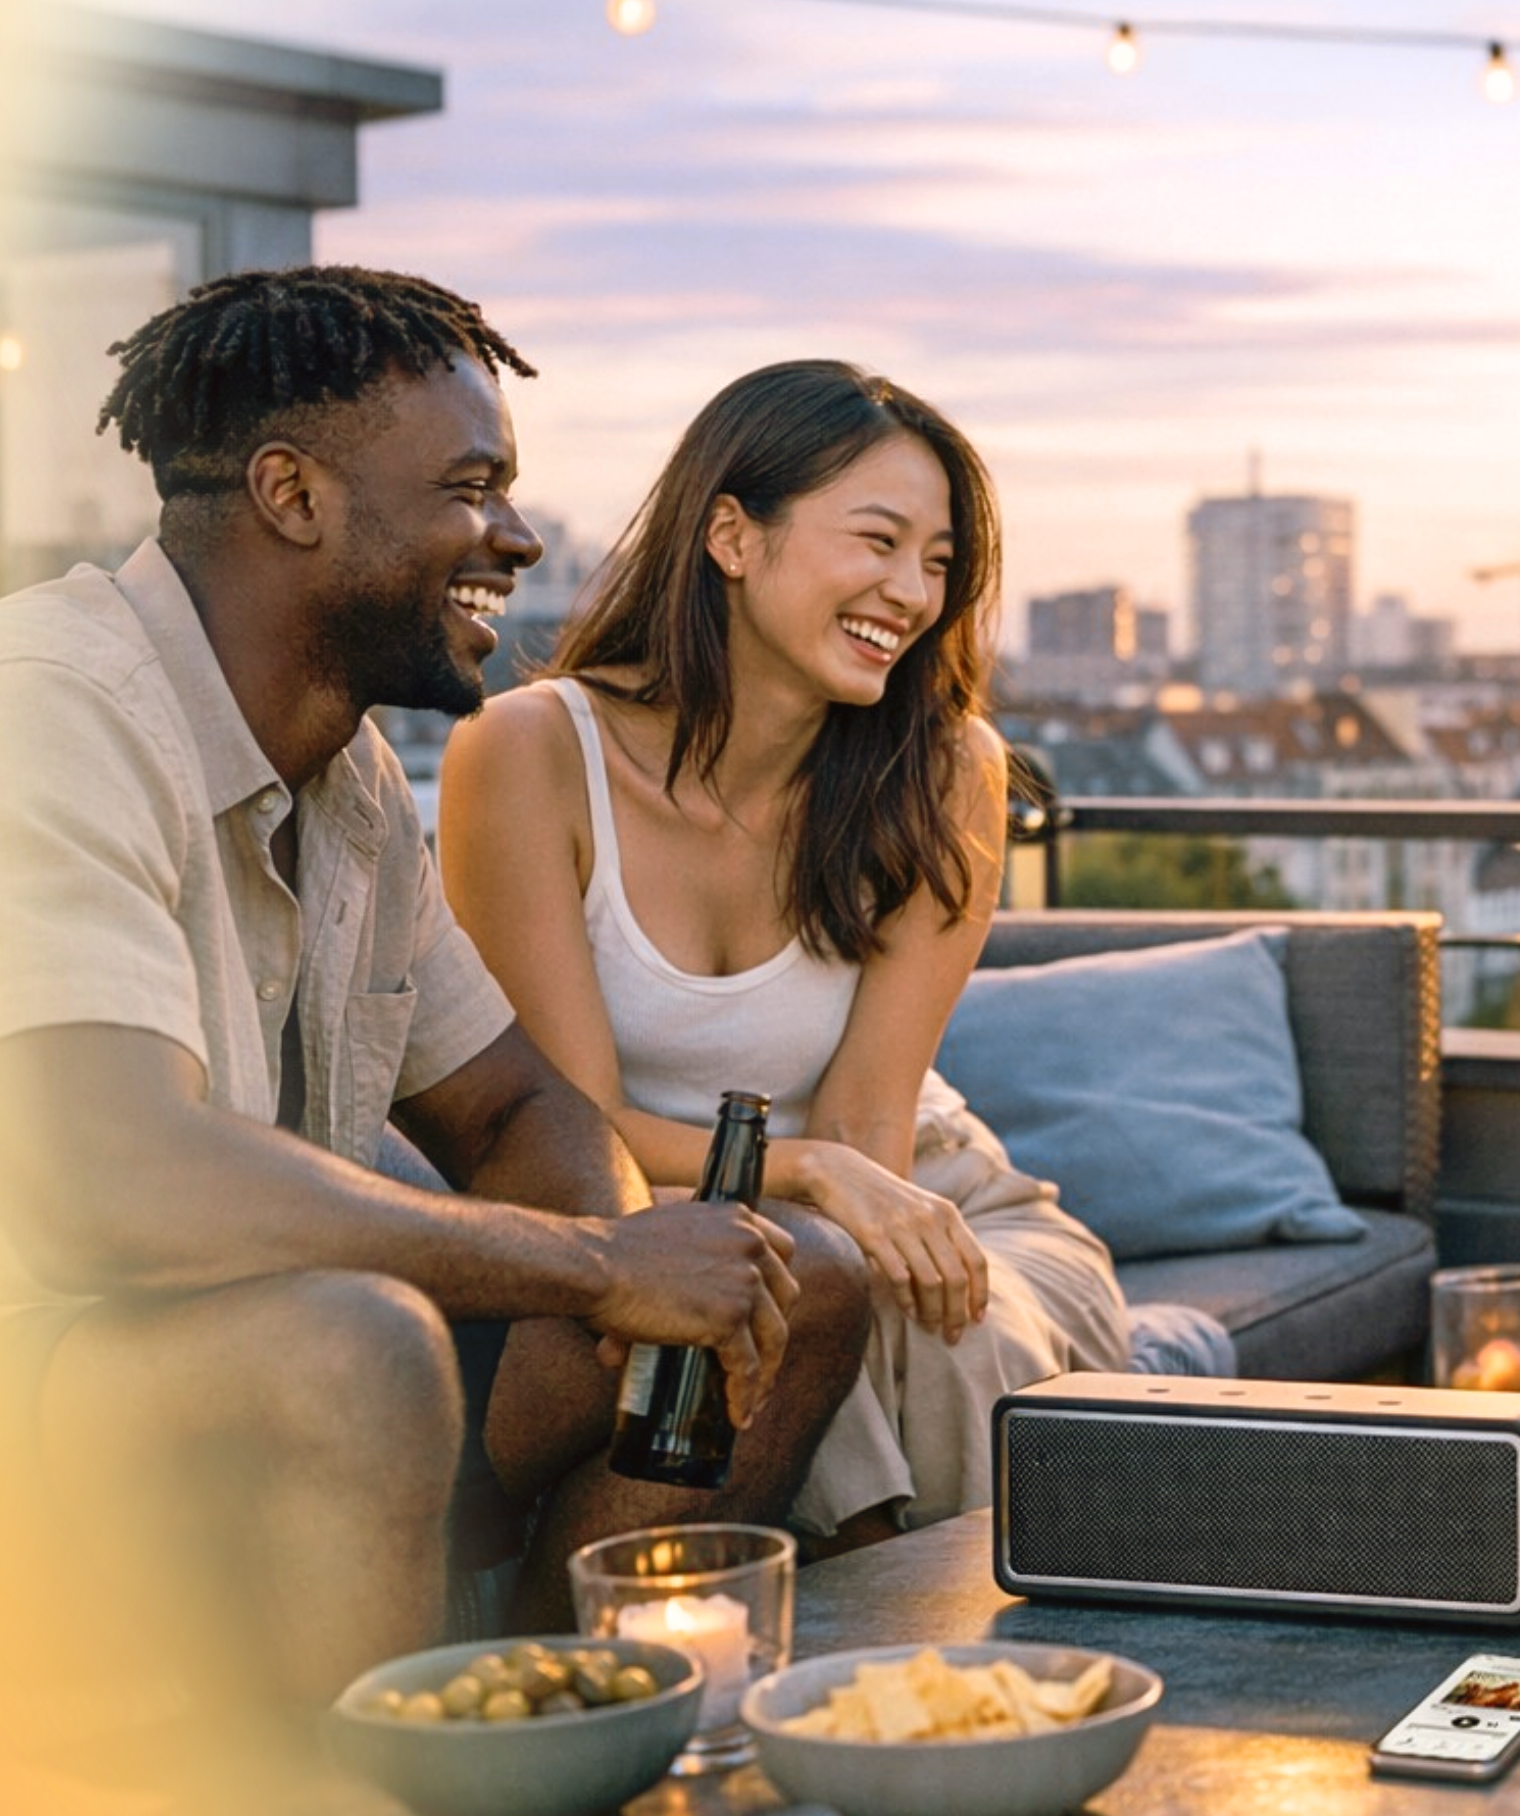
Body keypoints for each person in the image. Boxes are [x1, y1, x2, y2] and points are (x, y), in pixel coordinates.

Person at [0, 268, 874, 1707]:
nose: (516, 538)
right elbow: (117, 1179)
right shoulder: (29, 710)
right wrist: (599, 1270)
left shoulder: (344, 781)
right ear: (292, 495)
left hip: (260, 1351)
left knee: (800, 1281)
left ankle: (536, 1734)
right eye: (472, 487)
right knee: (357, 1343)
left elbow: (516, 1102)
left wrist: (632, 1299)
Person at [441, 360, 1133, 1547]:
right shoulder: (530, 753)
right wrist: (808, 1173)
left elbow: (873, 1119)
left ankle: (953, 1691)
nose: (912, 593)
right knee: (798, 1287)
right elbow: (574, 1129)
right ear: (731, 535)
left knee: (936, 1323)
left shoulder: (944, 767)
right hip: (664, 1201)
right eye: (879, 541)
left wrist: (838, 1177)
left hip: (918, 1176)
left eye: (940, 564)